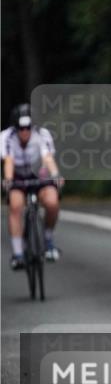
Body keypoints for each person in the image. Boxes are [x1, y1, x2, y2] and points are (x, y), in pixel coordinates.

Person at [2, 104, 63, 269]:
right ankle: (18, 254)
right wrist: (8, 179)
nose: (24, 131)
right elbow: (8, 160)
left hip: (39, 174)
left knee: (52, 202)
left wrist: (55, 174)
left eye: (28, 127)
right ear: (15, 127)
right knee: (15, 206)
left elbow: (48, 157)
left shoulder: (42, 135)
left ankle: (48, 239)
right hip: (17, 176)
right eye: (21, 128)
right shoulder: (6, 137)